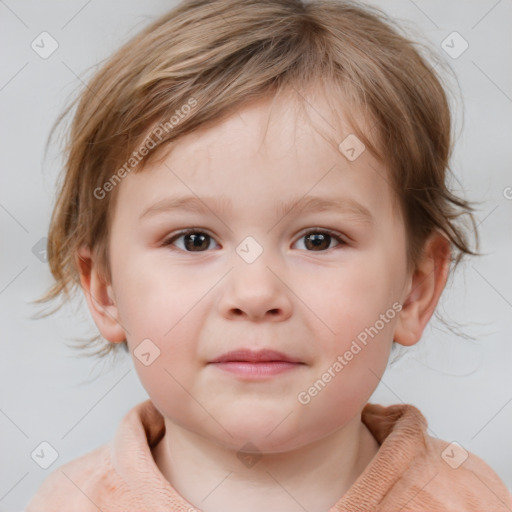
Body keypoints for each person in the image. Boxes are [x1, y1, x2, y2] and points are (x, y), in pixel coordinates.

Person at [26, 0, 512, 510]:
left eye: (318, 239)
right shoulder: (69, 502)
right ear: (104, 289)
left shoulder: (469, 499)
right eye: (194, 240)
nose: (255, 294)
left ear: (415, 289)